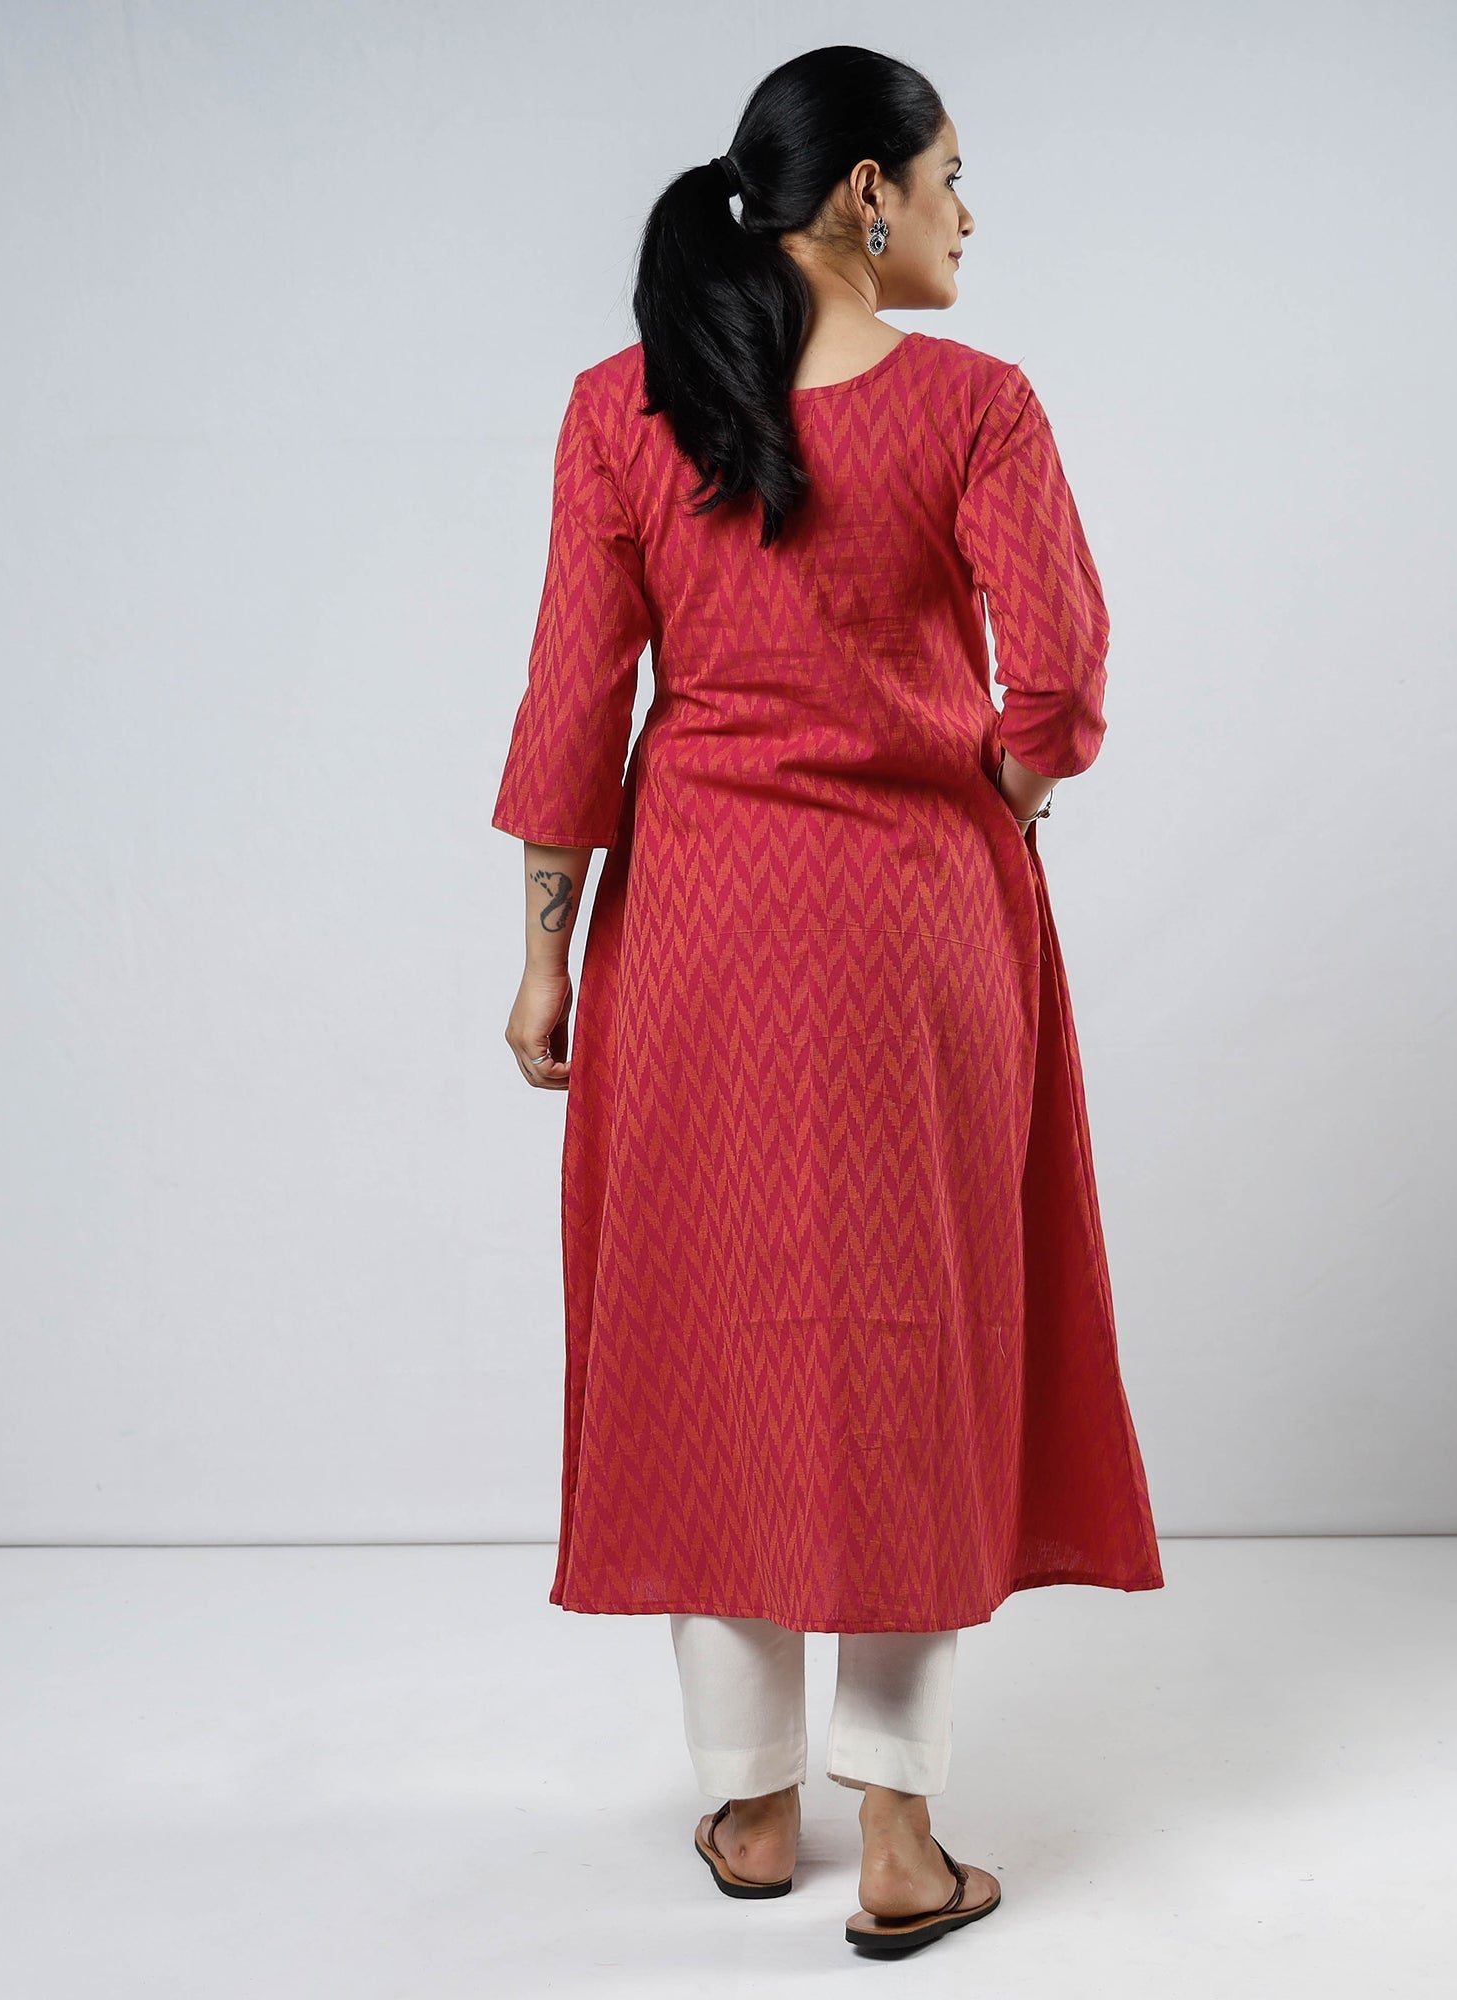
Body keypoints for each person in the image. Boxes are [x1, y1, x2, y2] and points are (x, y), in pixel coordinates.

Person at [490, 45, 1163, 1959]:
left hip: (696, 938)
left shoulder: (623, 406)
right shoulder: (976, 407)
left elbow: (574, 702)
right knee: (912, 1339)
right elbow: (1062, 678)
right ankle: (902, 1836)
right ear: (867, 193)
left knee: (706, 1336)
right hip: (918, 939)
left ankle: (752, 1800)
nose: (968, 215)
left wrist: (544, 950)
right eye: (952, 177)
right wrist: (1002, 791)